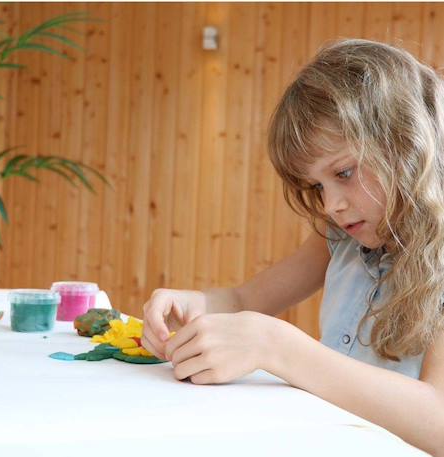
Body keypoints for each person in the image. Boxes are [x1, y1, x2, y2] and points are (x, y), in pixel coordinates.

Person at [141, 39, 444, 456]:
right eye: (317, 186)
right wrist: (195, 303)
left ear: (406, 143)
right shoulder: (340, 237)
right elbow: (244, 298)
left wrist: (277, 346)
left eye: (344, 172)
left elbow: (438, 422)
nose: (332, 204)